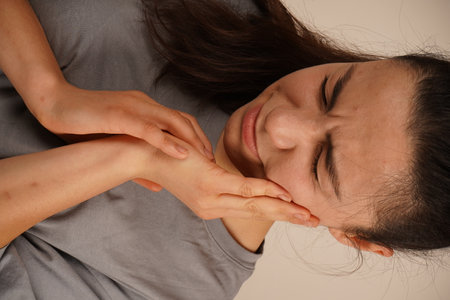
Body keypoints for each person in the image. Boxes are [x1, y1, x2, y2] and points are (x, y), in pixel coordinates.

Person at [0, 0, 448, 299]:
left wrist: (136, 157)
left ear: (357, 237)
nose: (279, 121)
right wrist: (49, 95)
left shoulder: (172, 287)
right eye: (330, 90)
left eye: (318, 162)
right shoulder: (235, 12)